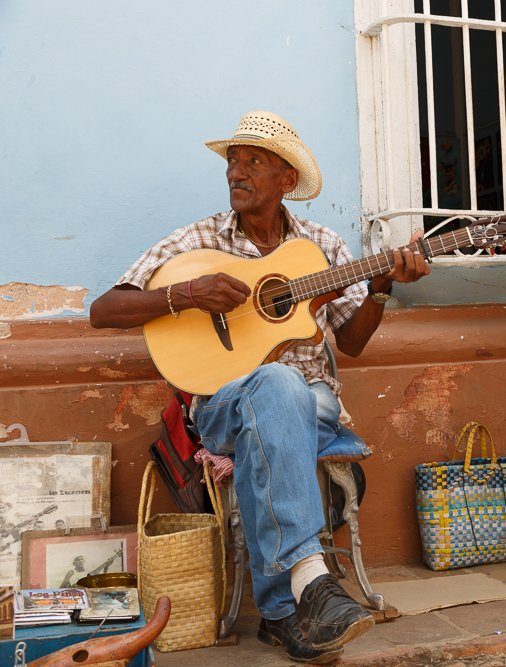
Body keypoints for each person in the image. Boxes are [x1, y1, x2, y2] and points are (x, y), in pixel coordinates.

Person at [91, 110, 430, 663]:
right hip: (221, 405)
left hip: (314, 403)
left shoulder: (321, 247)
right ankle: (312, 584)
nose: (235, 173)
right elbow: (104, 311)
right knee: (274, 387)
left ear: (286, 181)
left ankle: (281, 610)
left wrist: (382, 286)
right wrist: (188, 293)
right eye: (232, 161)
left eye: (253, 161)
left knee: (284, 398)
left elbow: (354, 343)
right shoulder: (198, 240)